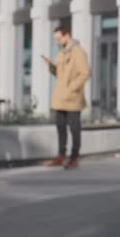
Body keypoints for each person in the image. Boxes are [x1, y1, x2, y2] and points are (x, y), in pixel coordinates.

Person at [42, 25, 91, 170]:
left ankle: (74, 158)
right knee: (60, 127)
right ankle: (61, 156)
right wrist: (51, 66)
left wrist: (72, 88)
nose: (57, 41)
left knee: (74, 129)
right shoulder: (62, 53)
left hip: (73, 98)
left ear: (67, 35)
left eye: (58, 38)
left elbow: (85, 73)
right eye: (56, 39)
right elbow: (59, 74)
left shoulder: (78, 52)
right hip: (60, 98)